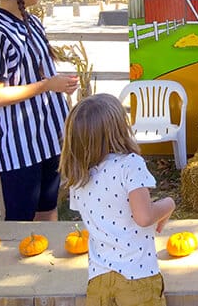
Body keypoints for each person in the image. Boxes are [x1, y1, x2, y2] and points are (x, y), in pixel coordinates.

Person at [59, 93, 176, 306]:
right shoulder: (130, 165)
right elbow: (144, 217)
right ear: (120, 129)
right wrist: (169, 204)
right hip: (137, 277)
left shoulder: (80, 176)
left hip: (98, 281)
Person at [0, 0, 79, 221]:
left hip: (49, 139)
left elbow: (37, 73)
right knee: (20, 221)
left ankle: (47, 264)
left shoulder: (32, 23)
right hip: (19, 146)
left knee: (48, 211)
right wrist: (45, 86)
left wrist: (59, 83)